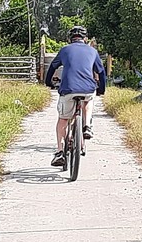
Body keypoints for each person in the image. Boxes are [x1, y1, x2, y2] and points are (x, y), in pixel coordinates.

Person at [45, 26, 106, 168]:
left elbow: (52, 67)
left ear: (70, 39)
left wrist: (48, 82)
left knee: (63, 119)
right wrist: (101, 89)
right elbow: (101, 72)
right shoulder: (92, 51)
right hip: (87, 89)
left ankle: (60, 152)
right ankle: (87, 126)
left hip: (68, 89)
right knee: (89, 98)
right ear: (85, 39)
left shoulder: (65, 50)